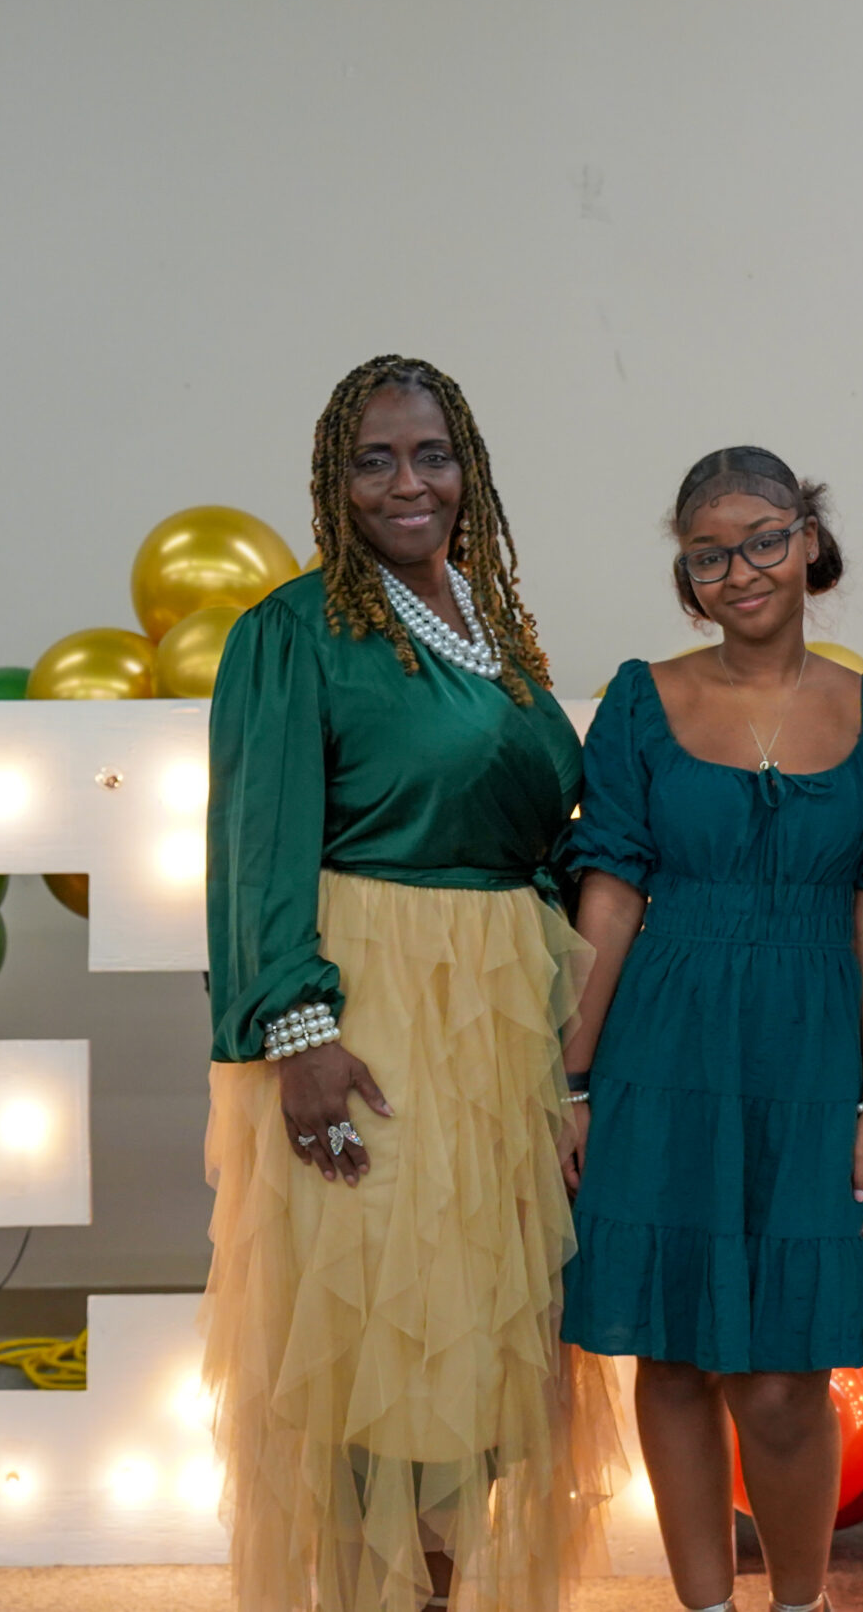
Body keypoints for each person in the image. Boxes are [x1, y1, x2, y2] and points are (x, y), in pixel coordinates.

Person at [201, 355, 623, 1612]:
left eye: (431, 455)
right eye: (373, 460)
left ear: (468, 470)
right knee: (375, 1343)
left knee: (482, 1341)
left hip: (497, 1018)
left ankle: (434, 1594)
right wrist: (298, 1031)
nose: (407, 483)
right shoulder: (294, 631)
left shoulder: (492, 629)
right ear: (333, 484)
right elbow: (258, 844)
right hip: (371, 1009)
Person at [560, 447, 863, 1612]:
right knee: (670, 1357)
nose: (741, 569)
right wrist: (570, 1078)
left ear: (809, 540)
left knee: (781, 1378)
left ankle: (800, 1601)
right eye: (708, 554)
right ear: (687, 575)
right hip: (662, 1049)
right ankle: (705, 1605)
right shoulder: (640, 698)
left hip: (814, 1056)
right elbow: (609, 896)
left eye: (764, 538)